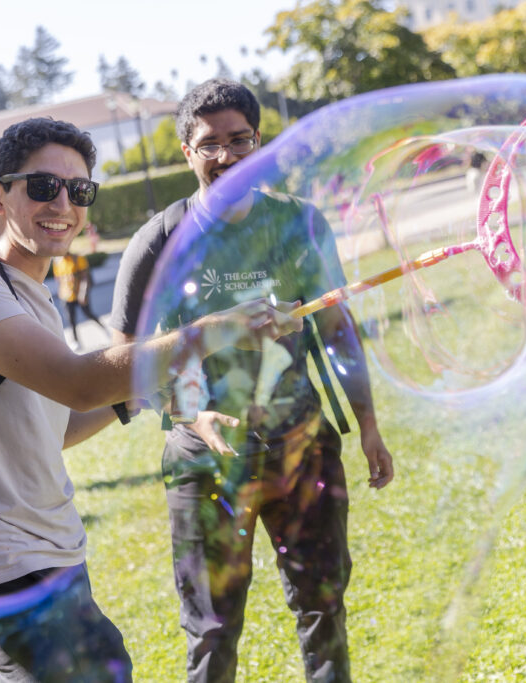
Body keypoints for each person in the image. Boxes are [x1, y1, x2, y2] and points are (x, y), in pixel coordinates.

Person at [0, 116, 301, 682]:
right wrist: (215, 329)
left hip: (51, 546)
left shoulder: (32, 294)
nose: (62, 203)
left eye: (79, 190)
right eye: (43, 186)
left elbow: (59, 425)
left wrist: (161, 399)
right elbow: (80, 381)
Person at [110, 79, 394, 682]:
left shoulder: (299, 224)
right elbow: (124, 357)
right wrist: (188, 415)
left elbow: (339, 327)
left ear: (258, 144)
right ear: (186, 151)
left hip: (303, 448)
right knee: (212, 630)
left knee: (324, 608)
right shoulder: (158, 241)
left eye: (240, 140)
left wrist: (368, 425)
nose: (227, 156)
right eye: (209, 144)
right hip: (204, 464)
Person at [53, 250, 107, 348]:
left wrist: (83, 293)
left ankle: (104, 329)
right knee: (71, 319)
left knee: (88, 314)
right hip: (66, 296)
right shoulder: (57, 262)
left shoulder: (77, 259)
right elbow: (59, 278)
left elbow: (85, 277)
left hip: (79, 294)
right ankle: (76, 341)